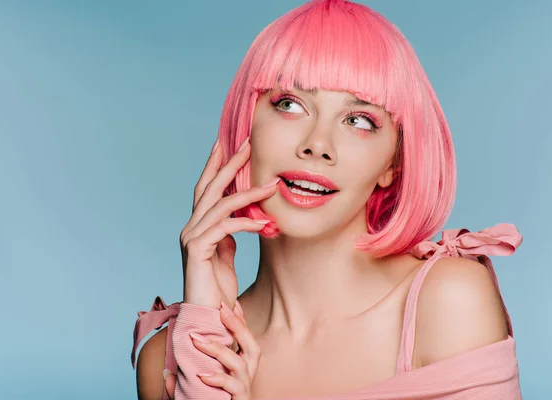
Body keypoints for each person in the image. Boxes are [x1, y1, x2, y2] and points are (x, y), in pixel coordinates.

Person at [131, 0, 523, 399]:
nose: (317, 145)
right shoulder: (168, 358)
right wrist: (203, 347)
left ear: (393, 164)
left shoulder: (449, 302)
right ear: (245, 124)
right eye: (290, 104)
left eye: (358, 120)